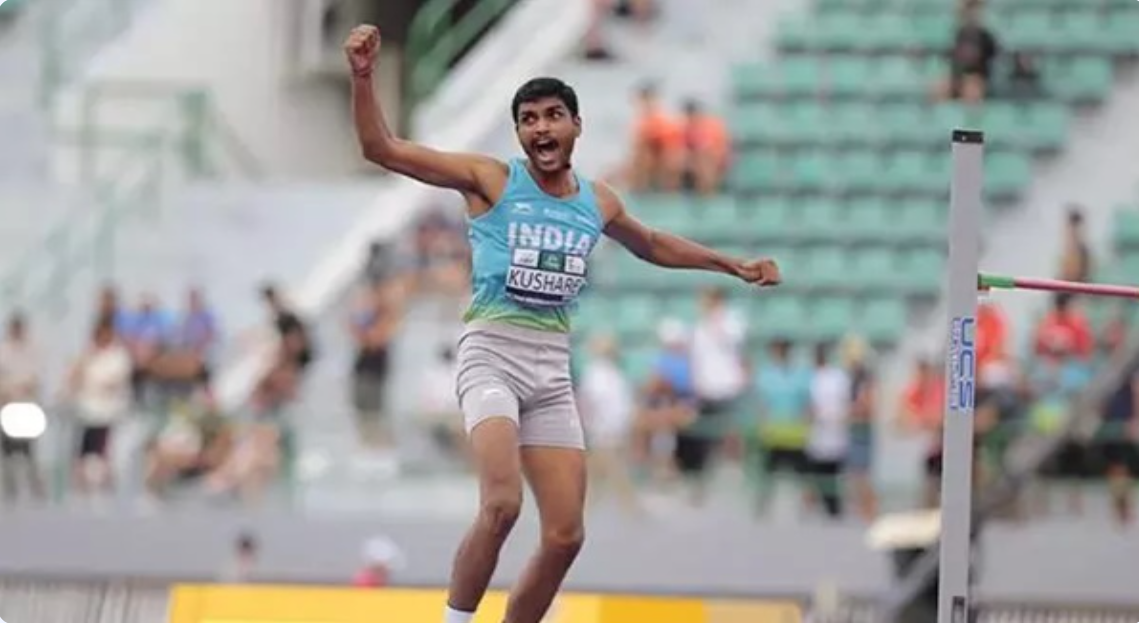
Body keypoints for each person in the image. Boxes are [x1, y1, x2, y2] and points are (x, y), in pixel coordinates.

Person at [344, 24, 781, 623]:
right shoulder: (491, 179)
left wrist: (730, 264)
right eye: (529, 118)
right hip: (492, 353)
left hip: (550, 368)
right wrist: (364, 77)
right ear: (519, 132)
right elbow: (383, 149)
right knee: (501, 505)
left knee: (566, 535)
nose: (542, 128)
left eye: (554, 115)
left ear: (577, 125)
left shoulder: (597, 201)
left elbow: (650, 243)